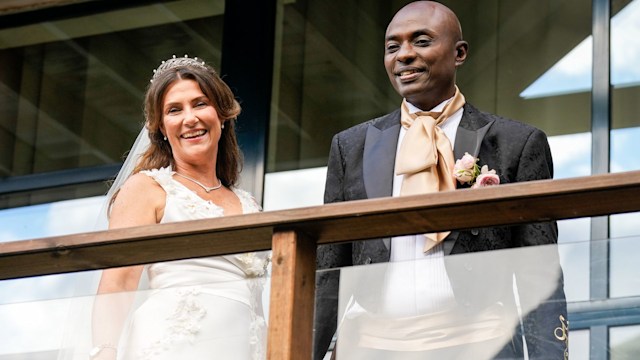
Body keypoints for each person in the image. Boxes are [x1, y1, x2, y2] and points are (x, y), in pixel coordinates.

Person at [314, 2, 568, 359]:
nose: (404, 55)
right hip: (371, 347)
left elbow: (539, 274)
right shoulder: (350, 146)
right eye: (392, 46)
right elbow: (329, 269)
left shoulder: (516, 143)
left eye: (420, 41)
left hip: (481, 345)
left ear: (458, 53)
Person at [88, 55, 270, 360]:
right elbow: (117, 281)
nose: (190, 118)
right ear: (161, 127)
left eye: (200, 104)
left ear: (221, 115)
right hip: (175, 345)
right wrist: (105, 352)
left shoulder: (249, 204)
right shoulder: (148, 188)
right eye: (175, 110)